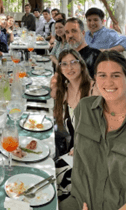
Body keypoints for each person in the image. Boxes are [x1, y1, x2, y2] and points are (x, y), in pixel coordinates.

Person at [59, 51, 126, 210]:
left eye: (115, 76)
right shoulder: (84, 108)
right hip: (78, 202)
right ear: (95, 79)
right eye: (102, 75)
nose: (108, 82)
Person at [51, 49, 99, 201]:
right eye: (64, 64)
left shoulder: (94, 89)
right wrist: (55, 81)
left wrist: (80, 146)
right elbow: (52, 93)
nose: (69, 68)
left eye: (73, 62)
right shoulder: (64, 90)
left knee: (54, 175)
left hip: (92, 152)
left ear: (81, 64)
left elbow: (102, 128)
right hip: (72, 150)